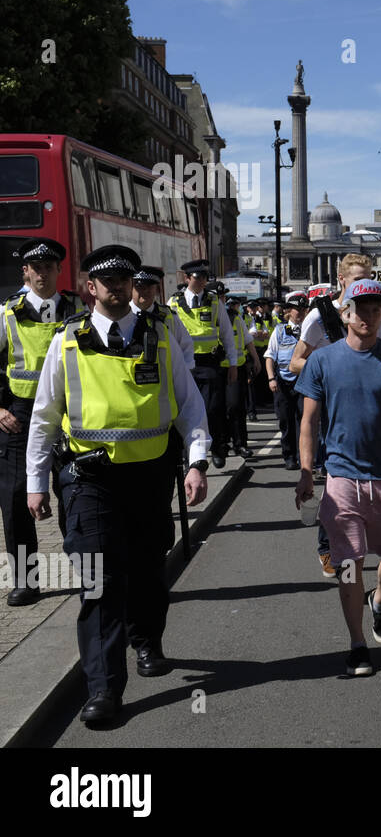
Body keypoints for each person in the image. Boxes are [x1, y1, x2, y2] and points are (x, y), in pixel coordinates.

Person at [27, 244, 209, 724]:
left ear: (132, 284)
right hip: (88, 479)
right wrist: (35, 483)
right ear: (90, 287)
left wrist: (196, 463)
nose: (116, 288)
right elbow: (44, 417)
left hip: (149, 477)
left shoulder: (161, 334)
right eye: (106, 281)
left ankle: (147, 642)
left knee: (148, 570)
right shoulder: (66, 341)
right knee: (98, 581)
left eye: (124, 280)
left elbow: (189, 405)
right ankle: (104, 689)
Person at [295, 279, 381, 677]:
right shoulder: (323, 360)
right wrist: (306, 474)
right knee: (349, 563)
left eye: (376, 309)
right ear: (346, 312)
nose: (368, 316)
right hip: (342, 478)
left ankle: (379, 599)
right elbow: (309, 422)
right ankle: (358, 644)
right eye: (361, 309)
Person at [289, 254, 381, 577]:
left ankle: (362, 541)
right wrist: (332, 368)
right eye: (356, 279)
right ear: (341, 281)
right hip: (328, 404)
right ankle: (329, 547)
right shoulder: (320, 316)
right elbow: (295, 362)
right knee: (335, 475)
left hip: (367, 406)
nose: (363, 285)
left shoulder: (377, 315)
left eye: (368, 278)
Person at [0, 239, 81, 606]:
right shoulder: (6, 313)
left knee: (73, 495)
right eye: (36, 267)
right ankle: (26, 581)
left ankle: (84, 573)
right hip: (19, 415)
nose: (43, 273)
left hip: (67, 414)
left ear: (58, 271)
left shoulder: (77, 309)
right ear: (26, 273)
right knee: (16, 499)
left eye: (49, 267)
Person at [169, 260, 237, 469]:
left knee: (213, 409)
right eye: (197, 277)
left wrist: (232, 363)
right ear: (187, 279)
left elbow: (226, 334)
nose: (201, 281)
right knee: (182, 410)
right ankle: (188, 452)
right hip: (183, 364)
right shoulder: (173, 303)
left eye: (204, 278)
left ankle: (217, 448)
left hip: (209, 363)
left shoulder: (214, 302)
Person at [266, 292, 308, 470]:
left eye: (303, 309)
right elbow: (270, 356)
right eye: (296, 309)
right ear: (289, 311)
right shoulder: (280, 330)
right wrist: (271, 378)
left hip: (303, 381)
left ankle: (304, 457)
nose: (299, 313)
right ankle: (289, 456)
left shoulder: (309, 330)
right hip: (283, 382)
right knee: (286, 421)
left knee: (304, 421)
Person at [218, 291, 259, 460]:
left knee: (236, 407)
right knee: (216, 409)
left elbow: (247, 339)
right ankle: (220, 445)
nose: (221, 300)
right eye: (218, 297)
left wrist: (256, 359)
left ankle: (240, 444)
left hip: (236, 368)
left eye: (222, 297)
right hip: (215, 369)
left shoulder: (234, 317)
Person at [130, 266, 194, 371]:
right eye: (139, 286)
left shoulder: (169, 316)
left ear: (156, 290)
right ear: (131, 288)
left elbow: (186, 346)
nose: (145, 290)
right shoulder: (122, 315)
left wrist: (185, 373)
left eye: (150, 286)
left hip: (165, 383)